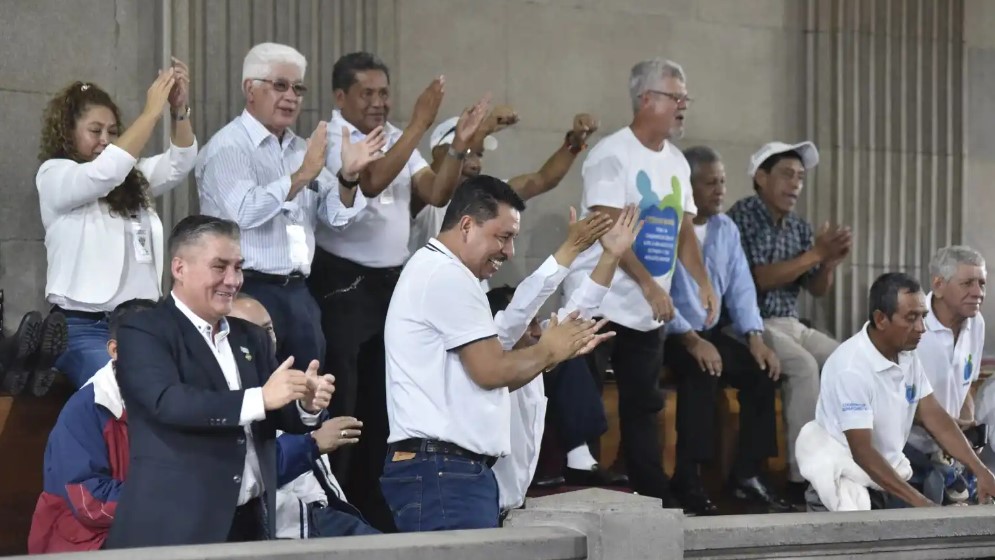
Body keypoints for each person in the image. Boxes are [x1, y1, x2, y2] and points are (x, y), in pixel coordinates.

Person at [307, 50, 489, 529]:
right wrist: (420, 125)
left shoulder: (394, 139)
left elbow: (435, 192)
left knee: (383, 402)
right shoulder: (333, 137)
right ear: (340, 96)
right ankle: (335, 503)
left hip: (388, 284)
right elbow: (369, 182)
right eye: (366, 93)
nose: (378, 102)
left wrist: (455, 149)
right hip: (342, 283)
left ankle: (374, 503)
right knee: (345, 399)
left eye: (384, 92)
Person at [381, 175, 603, 531]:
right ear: (467, 225)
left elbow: (501, 347)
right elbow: (491, 371)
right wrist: (548, 351)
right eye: (504, 237)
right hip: (444, 473)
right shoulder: (446, 275)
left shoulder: (443, 272)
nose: (510, 251)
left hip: (447, 470)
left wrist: (569, 253)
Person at [105, 215, 336, 548]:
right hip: (176, 529)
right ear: (179, 268)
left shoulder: (252, 337)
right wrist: (261, 398)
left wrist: (304, 405)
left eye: (238, 267)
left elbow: (275, 416)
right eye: (219, 267)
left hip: (252, 524)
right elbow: (167, 402)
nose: (233, 280)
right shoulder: (144, 331)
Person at [561, 58, 717, 507]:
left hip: (647, 310)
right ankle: (584, 494)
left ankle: (653, 500)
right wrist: (650, 284)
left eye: (685, 98)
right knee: (586, 403)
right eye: (675, 97)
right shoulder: (611, 155)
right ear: (646, 100)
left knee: (644, 407)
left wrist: (701, 280)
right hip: (601, 299)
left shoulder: (676, 162)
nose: (683, 105)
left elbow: (683, 228)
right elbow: (609, 229)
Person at [196, 42, 386, 373]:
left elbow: (336, 216)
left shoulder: (301, 149)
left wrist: (349, 176)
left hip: (299, 292)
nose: (292, 96)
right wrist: (300, 177)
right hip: (244, 289)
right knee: (256, 395)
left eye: (298, 88)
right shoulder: (228, 147)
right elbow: (244, 211)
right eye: (280, 85)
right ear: (249, 89)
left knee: (306, 394)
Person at [36, 59, 197, 389]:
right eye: (95, 131)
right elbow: (103, 172)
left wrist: (178, 111)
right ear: (68, 133)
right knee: (121, 394)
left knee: (182, 388)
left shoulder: (131, 179)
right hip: (84, 326)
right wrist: (150, 112)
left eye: (112, 132)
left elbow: (180, 162)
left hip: (140, 322)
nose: (106, 140)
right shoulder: (55, 175)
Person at [487, 205, 639, 513]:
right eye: (528, 325)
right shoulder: (493, 349)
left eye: (536, 324)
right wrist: (571, 248)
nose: (535, 332)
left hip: (512, 503)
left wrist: (610, 257)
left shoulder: (536, 357)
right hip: (483, 500)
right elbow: (520, 309)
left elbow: (580, 308)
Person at [800, 272, 995, 511]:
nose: (921, 328)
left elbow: (936, 418)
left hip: (886, 478)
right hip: (850, 487)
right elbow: (862, 451)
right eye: (911, 318)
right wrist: (923, 505)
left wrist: (981, 471)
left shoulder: (907, 355)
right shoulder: (851, 368)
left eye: (923, 316)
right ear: (881, 319)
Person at [663, 146, 789, 515]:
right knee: (703, 370)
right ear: (688, 187)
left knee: (764, 372)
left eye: (723, 182)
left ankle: (747, 473)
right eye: (710, 183)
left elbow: (742, 288)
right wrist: (691, 339)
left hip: (712, 331)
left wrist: (755, 338)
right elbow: (657, 291)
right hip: (672, 333)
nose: (720, 191)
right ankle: (689, 477)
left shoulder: (725, 228)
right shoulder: (666, 226)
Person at [726, 140, 852, 499]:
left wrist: (827, 262)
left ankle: (849, 464)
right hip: (749, 322)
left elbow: (816, 289)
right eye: (786, 174)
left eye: (800, 176)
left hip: (792, 321)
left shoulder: (798, 226)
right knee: (802, 366)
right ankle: (803, 478)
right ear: (761, 177)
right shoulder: (742, 215)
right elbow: (757, 279)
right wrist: (817, 252)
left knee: (848, 359)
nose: (795, 184)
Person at [228, 294, 378, 538]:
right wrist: (313, 443)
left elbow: (308, 424)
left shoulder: (288, 379)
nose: (268, 339)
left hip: (323, 513)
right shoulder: (223, 395)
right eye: (253, 331)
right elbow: (249, 468)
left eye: (270, 329)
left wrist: (310, 407)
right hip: (283, 525)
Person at [27, 298, 157, 554]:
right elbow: (90, 501)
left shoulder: (173, 399)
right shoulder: (87, 409)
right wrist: (169, 497)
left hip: (144, 525)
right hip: (85, 541)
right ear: (114, 350)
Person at [409, 107, 599, 255]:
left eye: (479, 155)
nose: (476, 165)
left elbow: (542, 180)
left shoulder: (483, 194)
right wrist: (486, 126)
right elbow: (441, 172)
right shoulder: (424, 192)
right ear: (439, 152)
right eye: (468, 154)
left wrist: (574, 144)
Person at [906, 246, 986, 504]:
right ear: (938, 285)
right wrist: (947, 429)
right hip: (906, 453)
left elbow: (966, 384)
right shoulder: (909, 326)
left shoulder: (977, 323)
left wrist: (967, 418)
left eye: (982, 283)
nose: (978, 292)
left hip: (950, 453)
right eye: (967, 283)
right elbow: (896, 400)